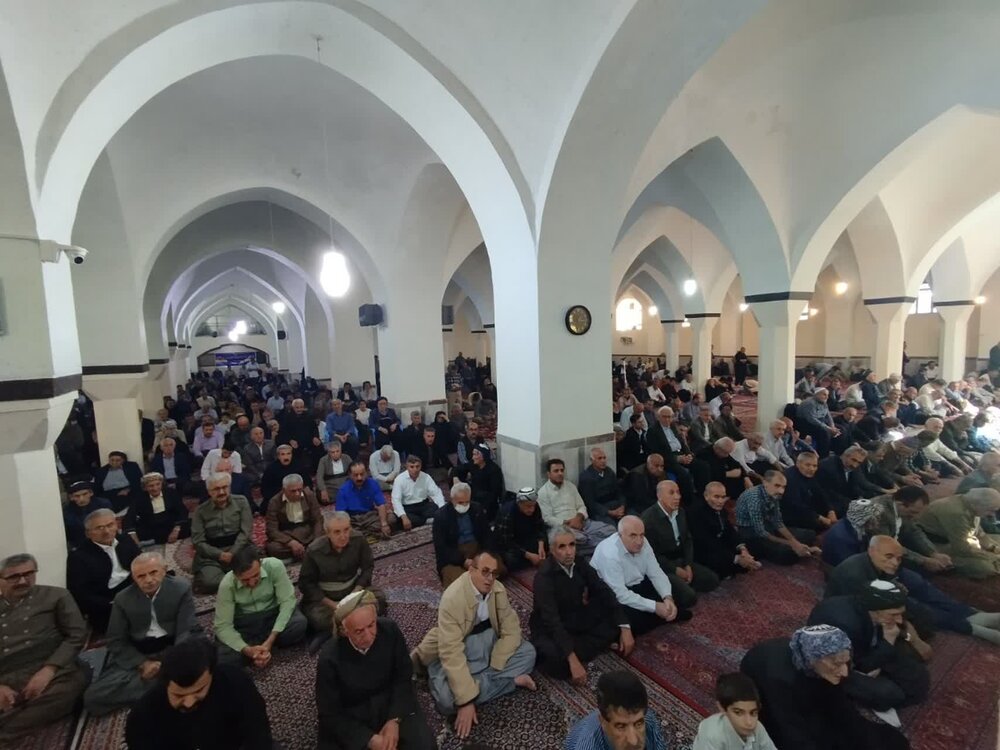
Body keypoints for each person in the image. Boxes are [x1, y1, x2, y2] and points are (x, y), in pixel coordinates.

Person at [411, 551, 537, 740]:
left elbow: (511, 628)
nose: (490, 578)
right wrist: (466, 701)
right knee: (446, 702)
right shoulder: (452, 598)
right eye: (485, 571)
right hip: (462, 649)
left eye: (494, 573)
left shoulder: (498, 590)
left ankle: (476, 683)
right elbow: (451, 652)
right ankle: (510, 682)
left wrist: (497, 661)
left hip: (489, 644)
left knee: (528, 653)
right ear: (471, 570)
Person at [740, 625, 909, 750]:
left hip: (807, 682)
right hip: (776, 701)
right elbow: (790, 731)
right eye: (837, 664)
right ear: (814, 659)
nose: (844, 671)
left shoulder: (822, 664)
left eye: (845, 662)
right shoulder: (778, 678)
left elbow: (841, 708)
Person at [316, 591, 435, 750]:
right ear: (344, 631)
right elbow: (329, 712)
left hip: (390, 701)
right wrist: (368, 739)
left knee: (425, 745)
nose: (368, 636)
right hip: (353, 713)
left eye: (371, 625)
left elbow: (403, 677)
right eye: (359, 631)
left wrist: (394, 719)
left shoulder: (390, 630)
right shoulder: (329, 658)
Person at [83, 553, 197, 715]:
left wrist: (174, 660)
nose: (148, 580)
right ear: (134, 578)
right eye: (141, 576)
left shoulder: (181, 588)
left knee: (214, 661)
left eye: (153, 572)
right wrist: (143, 664)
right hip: (141, 653)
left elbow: (186, 629)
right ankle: (174, 687)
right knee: (93, 698)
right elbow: (116, 640)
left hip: (174, 648)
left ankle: (163, 686)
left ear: (164, 570)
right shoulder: (123, 599)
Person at [124, 636, 274, 750]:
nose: (189, 703)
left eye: (198, 691)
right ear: (165, 684)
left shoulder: (235, 682)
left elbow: (258, 734)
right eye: (179, 695)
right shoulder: (144, 715)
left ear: (212, 674)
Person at [0, 553, 87, 742]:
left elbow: (77, 635)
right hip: (6, 673)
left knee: (66, 691)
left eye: (29, 574)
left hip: (53, 667)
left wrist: (48, 670)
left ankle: (6, 733)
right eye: (14, 577)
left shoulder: (56, 596)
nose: (23, 581)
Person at [807, 581, 929, 712]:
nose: (899, 620)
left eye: (900, 613)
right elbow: (860, 666)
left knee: (918, 678)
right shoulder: (846, 625)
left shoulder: (872, 611)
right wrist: (888, 641)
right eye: (893, 614)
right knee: (890, 695)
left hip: (864, 649)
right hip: (835, 666)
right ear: (874, 611)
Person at [531, 526, 633, 683]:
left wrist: (625, 627)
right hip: (550, 628)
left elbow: (602, 590)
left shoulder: (579, 562)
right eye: (562, 547)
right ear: (552, 550)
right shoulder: (544, 577)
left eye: (572, 545)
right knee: (557, 661)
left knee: (618, 616)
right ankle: (580, 650)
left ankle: (583, 646)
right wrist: (572, 659)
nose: (569, 552)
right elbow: (551, 620)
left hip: (576, 617)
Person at [590, 516, 691, 635]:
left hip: (638, 584)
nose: (639, 541)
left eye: (641, 535)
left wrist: (667, 597)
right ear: (620, 535)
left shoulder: (644, 542)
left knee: (680, 595)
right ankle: (660, 616)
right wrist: (655, 607)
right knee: (632, 620)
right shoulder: (610, 554)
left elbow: (656, 572)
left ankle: (661, 614)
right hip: (612, 593)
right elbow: (620, 594)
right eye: (633, 536)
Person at [213, 547, 307, 669]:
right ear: (235, 575)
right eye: (245, 580)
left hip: (273, 616)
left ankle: (262, 647)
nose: (252, 583)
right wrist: (246, 649)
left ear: (260, 563)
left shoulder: (274, 566)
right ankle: (258, 650)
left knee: (299, 624)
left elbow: (287, 601)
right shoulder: (227, 584)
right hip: (246, 624)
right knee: (222, 655)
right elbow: (223, 626)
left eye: (256, 575)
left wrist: (271, 639)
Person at [299, 513, 385, 641]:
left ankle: (342, 626)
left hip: (353, 590)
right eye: (337, 532)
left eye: (346, 530)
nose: (343, 536)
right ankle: (351, 625)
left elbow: (368, 567)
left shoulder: (358, 539)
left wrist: (355, 592)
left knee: (379, 598)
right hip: (327, 597)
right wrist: (333, 604)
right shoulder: (314, 550)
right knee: (317, 618)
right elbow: (306, 584)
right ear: (327, 533)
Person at [641, 480, 719, 608]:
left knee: (712, 580)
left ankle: (681, 585)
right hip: (663, 566)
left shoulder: (681, 512)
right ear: (659, 496)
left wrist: (688, 564)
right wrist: (676, 570)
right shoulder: (648, 519)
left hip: (681, 559)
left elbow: (688, 540)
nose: (677, 496)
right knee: (689, 598)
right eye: (671, 493)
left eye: (678, 492)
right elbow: (652, 556)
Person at [66, 508, 142, 632]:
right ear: (88, 533)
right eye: (99, 528)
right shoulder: (78, 557)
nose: (106, 531)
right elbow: (81, 594)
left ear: (116, 525)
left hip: (133, 585)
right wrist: (112, 604)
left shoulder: (125, 540)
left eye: (110, 525)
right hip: (107, 599)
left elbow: (141, 562)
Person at [564, 670, 668, 750]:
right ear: (603, 722)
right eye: (621, 726)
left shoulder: (647, 718)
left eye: (638, 724)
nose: (633, 741)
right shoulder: (587, 746)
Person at [734, 471, 820, 565]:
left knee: (810, 534)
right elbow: (761, 532)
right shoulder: (755, 499)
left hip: (767, 524)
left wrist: (794, 542)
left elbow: (777, 521)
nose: (781, 491)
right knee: (785, 555)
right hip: (751, 531)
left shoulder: (774, 494)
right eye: (777, 485)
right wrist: (792, 544)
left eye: (783, 487)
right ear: (765, 483)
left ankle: (799, 549)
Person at [191, 472, 253, 594]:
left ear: (229, 487)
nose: (221, 492)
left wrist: (232, 552)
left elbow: (246, 532)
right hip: (212, 555)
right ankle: (239, 578)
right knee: (209, 582)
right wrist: (219, 554)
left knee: (254, 570)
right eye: (216, 489)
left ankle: (235, 577)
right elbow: (198, 541)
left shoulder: (241, 502)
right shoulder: (200, 511)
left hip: (239, 549)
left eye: (224, 487)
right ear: (209, 492)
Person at [916, 488, 1000, 579]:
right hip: (937, 545)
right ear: (978, 505)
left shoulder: (970, 504)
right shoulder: (956, 513)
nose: (992, 514)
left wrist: (993, 547)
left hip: (959, 539)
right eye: (991, 510)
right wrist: (993, 557)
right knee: (985, 567)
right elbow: (962, 548)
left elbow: (978, 532)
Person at [537, 458, 615, 555]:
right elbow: (547, 518)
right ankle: (599, 547)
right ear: (549, 474)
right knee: (580, 539)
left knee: (611, 530)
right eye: (556, 471)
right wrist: (567, 523)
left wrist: (578, 518)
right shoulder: (543, 493)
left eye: (562, 470)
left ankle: (588, 548)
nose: (560, 473)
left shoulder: (570, 486)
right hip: (562, 528)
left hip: (582, 522)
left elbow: (581, 506)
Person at [688, 482, 761, 579]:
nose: (720, 501)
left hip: (720, 545)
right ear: (706, 496)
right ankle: (741, 565)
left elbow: (730, 531)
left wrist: (743, 549)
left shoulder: (722, 510)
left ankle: (744, 563)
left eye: (723, 497)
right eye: (716, 497)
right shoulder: (696, 512)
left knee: (754, 544)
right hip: (704, 550)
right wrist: (736, 558)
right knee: (720, 563)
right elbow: (706, 543)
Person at [432, 482, 498, 586]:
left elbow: (486, 534)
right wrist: (463, 561)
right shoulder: (441, 516)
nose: (464, 505)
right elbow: (442, 547)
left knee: (497, 568)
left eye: (467, 502)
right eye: (460, 502)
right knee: (462, 583)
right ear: (452, 500)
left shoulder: (477, 509)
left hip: (476, 549)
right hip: (454, 555)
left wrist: (482, 556)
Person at [693, 673, 777, 750]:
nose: (749, 722)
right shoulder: (712, 735)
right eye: (738, 713)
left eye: (753, 713)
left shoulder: (758, 729)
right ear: (722, 708)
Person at [264, 472, 324, 559]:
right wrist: (290, 542)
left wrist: (316, 540)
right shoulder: (275, 502)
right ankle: (309, 553)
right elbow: (271, 529)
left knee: (328, 538)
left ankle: (303, 554)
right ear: (284, 490)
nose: (297, 493)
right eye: (293, 491)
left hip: (308, 532)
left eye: (299, 490)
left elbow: (318, 519)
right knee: (273, 548)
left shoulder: (309, 495)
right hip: (287, 534)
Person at [125, 471, 189, 545]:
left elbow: (182, 510)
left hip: (170, 522)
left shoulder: (171, 492)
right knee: (129, 535)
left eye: (158, 484)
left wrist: (176, 530)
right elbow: (130, 516)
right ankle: (158, 539)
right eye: (151, 486)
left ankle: (154, 541)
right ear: (145, 487)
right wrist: (133, 534)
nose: (155, 488)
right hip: (151, 525)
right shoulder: (139, 498)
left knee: (188, 526)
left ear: (162, 484)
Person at [494, 488, 548, 572]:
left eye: (533, 506)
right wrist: (528, 555)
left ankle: (533, 559)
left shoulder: (535, 507)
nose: (532, 509)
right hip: (511, 544)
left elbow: (540, 527)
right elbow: (506, 541)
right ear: (519, 504)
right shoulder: (507, 513)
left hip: (526, 538)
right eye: (528, 506)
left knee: (546, 543)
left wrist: (541, 546)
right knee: (511, 559)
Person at [336, 461, 394, 538]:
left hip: (370, 516)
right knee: (340, 530)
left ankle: (362, 535)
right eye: (356, 475)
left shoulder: (373, 483)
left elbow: (381, 505)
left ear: (366, 473)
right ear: (350, 475)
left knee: (391, 518)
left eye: (362, 474)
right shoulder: (343, 490)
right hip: (353, 519)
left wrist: (384, 524)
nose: (359, 478)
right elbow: (341, 514)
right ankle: (368, 534)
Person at [781, 451, 836, 531]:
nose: (812, 469)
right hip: (790, 513)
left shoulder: (809, 474)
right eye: (807, 465)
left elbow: (820, 493)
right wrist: (820, 517)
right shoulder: (790, 478)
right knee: (818, 524)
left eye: (815, 466)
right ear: (798, 464)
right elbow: (796, 505)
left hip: (805, 507)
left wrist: (830, 510)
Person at [391, 455, 446, 531]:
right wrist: (404, 517)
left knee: (439, 508)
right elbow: (396, 500)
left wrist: (442, 510)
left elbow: (436, 493)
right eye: (412, 467)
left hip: (423, 505)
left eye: (417, 466)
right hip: (408, 508)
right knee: (401, 517)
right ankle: (426, 520)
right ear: (407, 467)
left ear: (421, 466)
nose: (415, 469)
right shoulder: (399, 479)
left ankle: (422, 521)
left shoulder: (426, 477)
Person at [578, 446, 627, 524]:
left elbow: (619, 491)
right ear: (592, 460)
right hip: (599, 511)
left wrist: (622, 506)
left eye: (604, 458)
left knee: (631, 520)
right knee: (611, 527)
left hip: (615, 505)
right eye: (599, 458)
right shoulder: (586, 477)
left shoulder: (609, 471)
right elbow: (590, 503)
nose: (603, 461)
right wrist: (609, 512)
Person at [816, 446, 868, 518]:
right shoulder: (827, 467)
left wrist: (860, 498)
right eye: (853, 460)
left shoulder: (852, 467)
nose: (855, 465)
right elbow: (826, 493)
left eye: (859, 462)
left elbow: (854, 486)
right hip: (827, 505)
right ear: (844, 455)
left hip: (843, 502)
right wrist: (852, 503)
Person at [260, 444, 311, 513]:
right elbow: (265, 489)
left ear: (292, 455)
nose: (286, 457)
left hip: (297, 493)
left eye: (288, 454)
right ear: (278, 456)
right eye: (283, 454)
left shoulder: (299, 465)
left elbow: (308, 483)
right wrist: (284, 494)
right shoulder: (271, 469)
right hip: (279, 495)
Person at [62, 479, 113, 548]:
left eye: (85, 494)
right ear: (71, 497)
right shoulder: (68, 512)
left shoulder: (103, 504)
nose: (82, 499)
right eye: (77, 496)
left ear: (91, 493)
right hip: (81, 544)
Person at [797, 388, 840, 457]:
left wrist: (832, 426)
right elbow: (811, 419)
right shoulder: (809, 403)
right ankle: (823, 456)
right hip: (806, 423)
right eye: (824, 394)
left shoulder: (824, 402)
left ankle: (837, 453)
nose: (827, 397)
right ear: (816, 394)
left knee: (840, 429)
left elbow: (828, 415)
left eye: (827, 395)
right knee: (824, 432)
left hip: (819, 421)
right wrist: (828, 428)